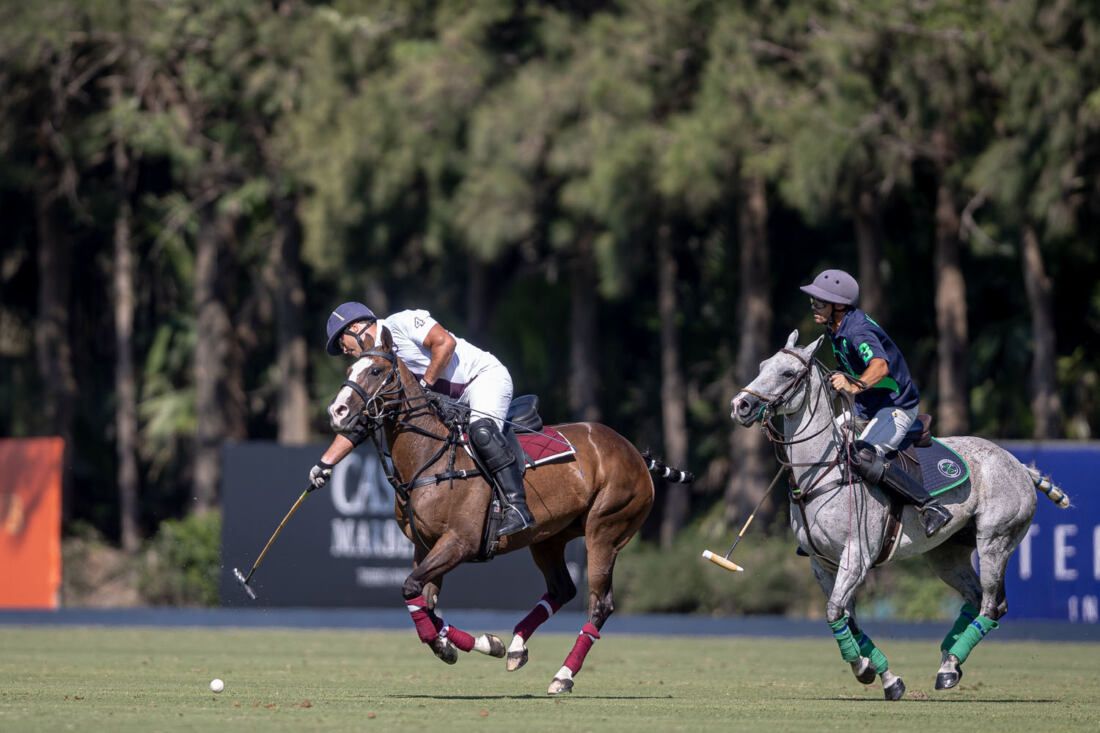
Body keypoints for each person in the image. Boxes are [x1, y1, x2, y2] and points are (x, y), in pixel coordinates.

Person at [308, 301, 536, 538]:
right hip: (450, 401)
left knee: (482, 432)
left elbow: (445, 343)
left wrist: (425, 385)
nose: (343, 350)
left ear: (355, 328)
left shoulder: (401, 323)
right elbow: (362, 423)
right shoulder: (375, 368)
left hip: (482, 378)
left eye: (340, 341)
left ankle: (516, 505)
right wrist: (326, 463)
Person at [800, 269, 952, 537]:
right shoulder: (835, 327)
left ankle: (930, 506)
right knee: (825, 443)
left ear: (839, 305)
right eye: (813, 300)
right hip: (868, 407)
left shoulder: (857, 330)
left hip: (896, 406)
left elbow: (879, 367)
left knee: (862, 455)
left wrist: (853, 385)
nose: (813, 305)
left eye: (819, 301)